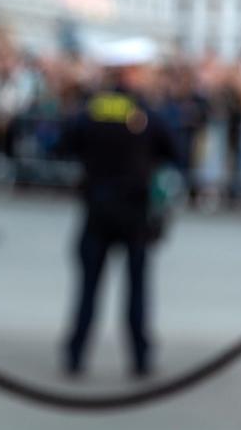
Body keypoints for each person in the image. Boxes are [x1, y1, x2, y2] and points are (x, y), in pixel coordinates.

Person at [61, 42, 180, 379]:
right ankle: (140, 358)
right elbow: (173, 149)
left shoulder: (92, 108)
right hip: (135, 211)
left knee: (88, 289)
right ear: (133, 72)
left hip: (96, 207)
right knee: (137, 289)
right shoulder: (146, 112)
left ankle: (75, 354)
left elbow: (66, 143)